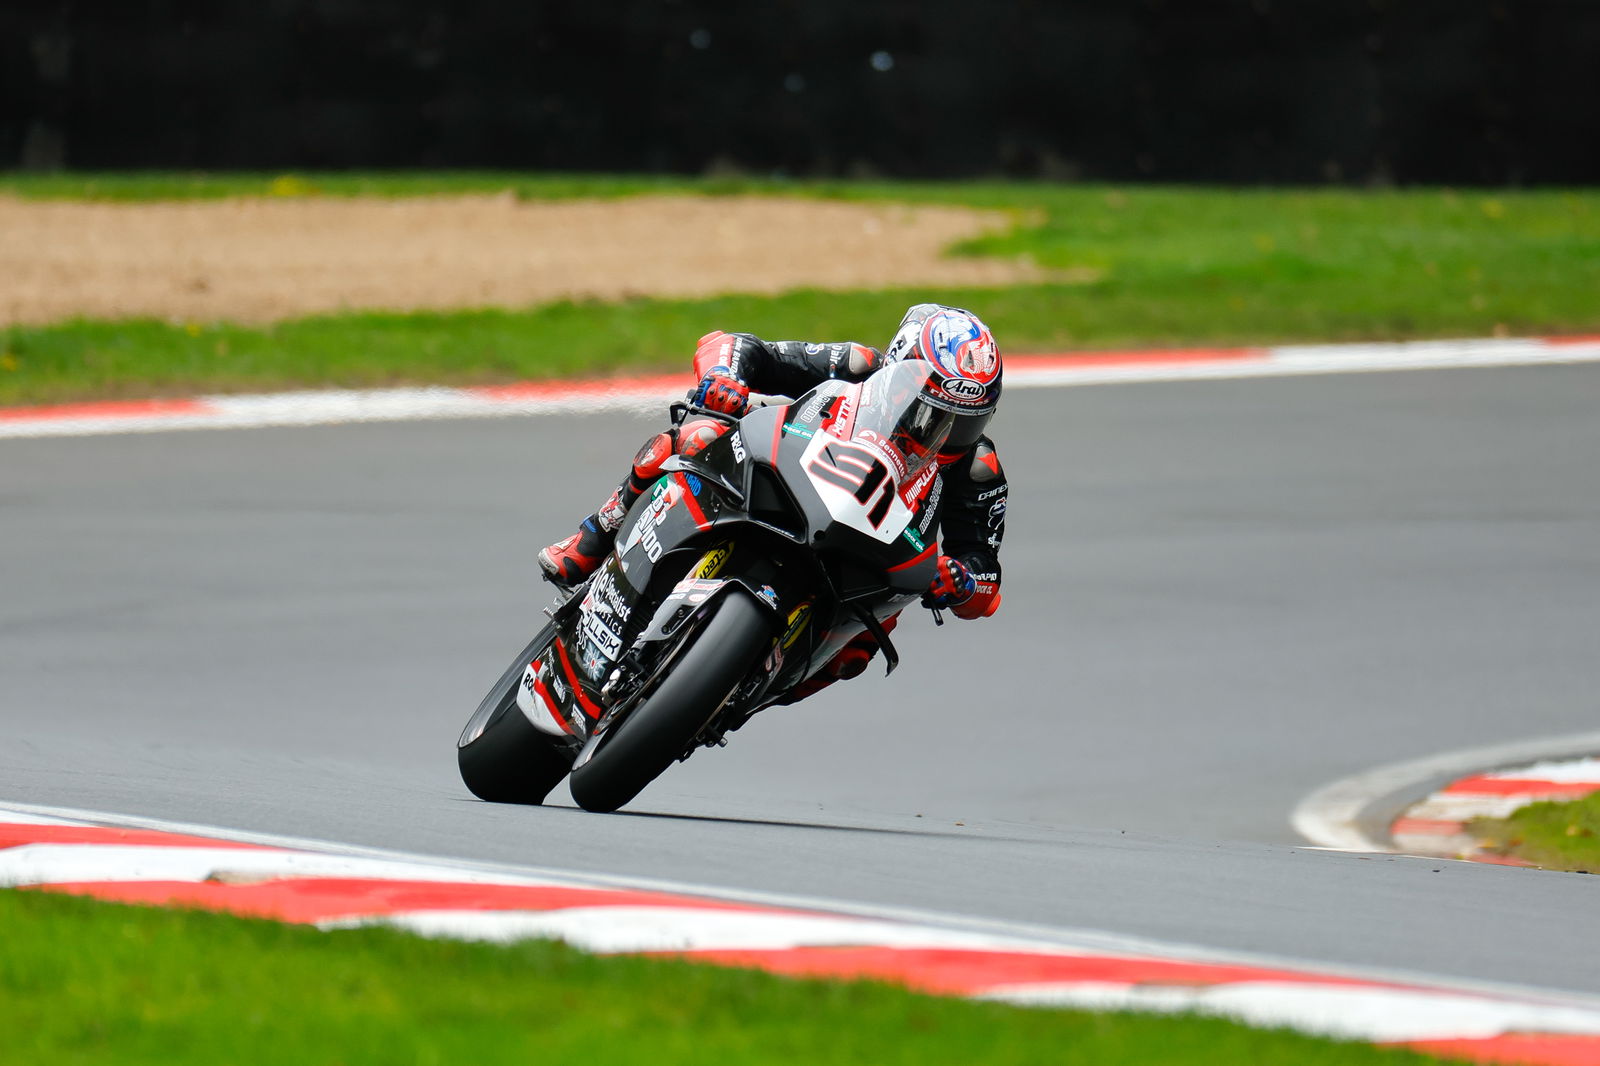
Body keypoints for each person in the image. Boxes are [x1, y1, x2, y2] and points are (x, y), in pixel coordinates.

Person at [538, 302, 1009, 698]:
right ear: (898, 373)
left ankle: (731, 699)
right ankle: (593, 538)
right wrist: (724, 377)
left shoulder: (975, 468)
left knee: (864, 645)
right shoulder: (856, 367)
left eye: (964, 422)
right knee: (697, 433)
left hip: (871, 554)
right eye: (929, 409)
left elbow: (985, 570)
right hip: (785, 480)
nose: (943, 430)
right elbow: (737, 346)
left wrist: (964, 581)